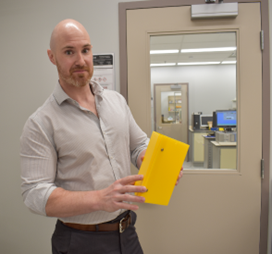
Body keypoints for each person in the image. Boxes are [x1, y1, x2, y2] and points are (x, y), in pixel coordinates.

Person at [20, 19, 183, 254]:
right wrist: (99, 198)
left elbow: (137, 146)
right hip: (79, 241)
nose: (81, 60)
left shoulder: (116, 101)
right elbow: (35, 194)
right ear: (52, 57)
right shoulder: (41, 123)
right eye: (69, 52)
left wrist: (150, 160)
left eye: (85, 50)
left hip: (127, 234)